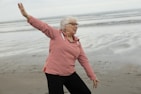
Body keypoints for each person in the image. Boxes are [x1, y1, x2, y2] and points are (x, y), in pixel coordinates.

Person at [18, 3, 99, 94]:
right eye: (72, 24)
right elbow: (43, 26)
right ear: (64, 26)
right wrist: (27, 16)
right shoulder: (56, 34)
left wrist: (92, 76)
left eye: (76, 24)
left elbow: (84, 60)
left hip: (69, 73)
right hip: (54, 73)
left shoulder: (77, 42)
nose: (76, 26)